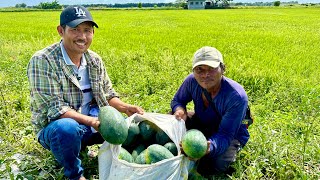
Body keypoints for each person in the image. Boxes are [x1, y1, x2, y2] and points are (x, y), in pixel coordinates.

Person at [27, 5, 144, 180]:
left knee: (131, 128)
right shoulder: (43, 60)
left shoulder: (94, 60)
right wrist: (93, 122)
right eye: (75, 30)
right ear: (61, 31)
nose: (82, 37)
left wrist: (125, 107)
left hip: (91, 121)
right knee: (67, 128)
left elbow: (107, 94)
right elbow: (55, 109)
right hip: (57, 128)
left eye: (87, 30)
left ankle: (115, 161)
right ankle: (74, 174)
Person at [171, 46, 250, 176]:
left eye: (212, 69)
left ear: (223, 69)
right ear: (193, 71)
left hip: (230, 133)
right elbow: (178, 100)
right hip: (203, 122)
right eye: (199, 69)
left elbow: (225, 134)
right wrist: (180, 110)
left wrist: (208, 148)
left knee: (212, 165)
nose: (205, 75)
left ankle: (229, 151)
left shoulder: (236, 96)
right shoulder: (191, 81)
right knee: (171, 119)